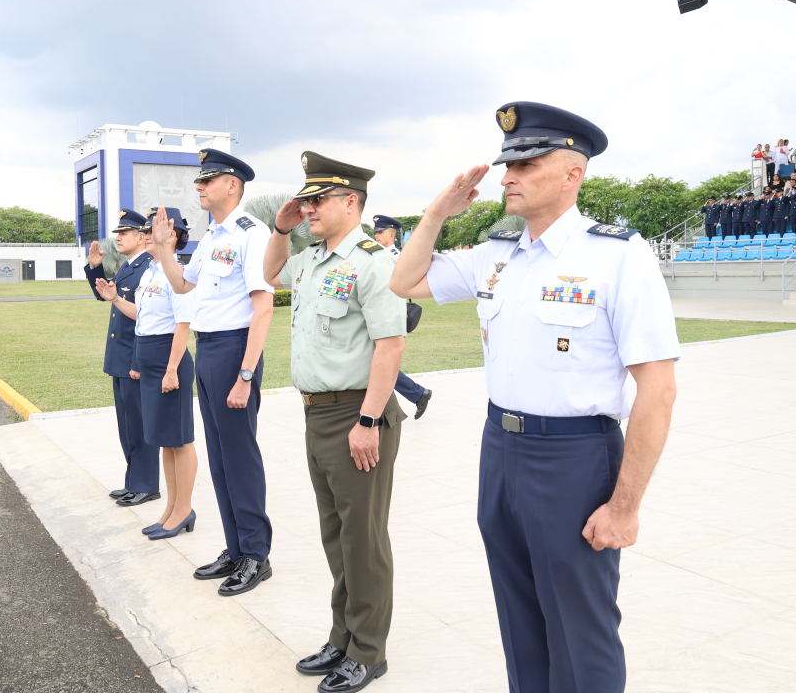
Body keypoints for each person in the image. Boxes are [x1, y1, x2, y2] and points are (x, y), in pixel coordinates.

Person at [389, 101, 679, 693]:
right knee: (519, 619)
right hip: (501, 450)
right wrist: (436, 214)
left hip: (575, 458)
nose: (508, 177)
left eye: (526, 164)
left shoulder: (618, 255)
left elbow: (659, 388)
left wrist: (624, 507)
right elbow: (405, 280)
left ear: (573, 174)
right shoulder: (496, 253)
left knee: (581, 629)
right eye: (507, 165)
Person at [263, 153, 407, 693]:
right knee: (336, 536)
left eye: (318, 199)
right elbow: (270, 274)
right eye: (305, 200)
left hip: (355, 414)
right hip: (317, 414)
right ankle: (342, 637)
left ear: (351, 201)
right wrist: (282, 230)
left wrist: (368, 420)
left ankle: (368, 651)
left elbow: (390, 346)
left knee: (363, 540)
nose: (309, 208)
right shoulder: (311, 258)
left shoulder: (373, 262)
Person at [149, 149, 276, 596]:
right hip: (207, 349)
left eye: (207, 180)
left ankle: (256, 555)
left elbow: (263, 308)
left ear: (232, 185)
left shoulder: (251, 233)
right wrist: (163, 249)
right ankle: (236, 548)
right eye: (199, 181)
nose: (199, 187)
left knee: (240, 456)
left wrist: (245, 375)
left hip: (234, 350)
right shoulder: (212, 236)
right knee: (220, 458)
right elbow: (183, 284)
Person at [98, 208, 198, 540]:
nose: (145, 236)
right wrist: (115, 299)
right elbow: (142, 316)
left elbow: (182, 325)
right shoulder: (151, 274)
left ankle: (184, 510)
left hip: (169, 360)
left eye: (152, 230)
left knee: (180, 441)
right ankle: (171, 509)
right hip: (150, 359)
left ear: (171, 235)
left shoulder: (177, 274)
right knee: (165, 441)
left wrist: (171, 370)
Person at [85, 209, 161, 507]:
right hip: (121, 360)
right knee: (127, 427)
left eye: (124, 233)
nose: (118, 238)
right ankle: (134, 481)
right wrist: (95, 268)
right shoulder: (130, 266)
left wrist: (138, 363)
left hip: (134, 361)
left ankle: (146, 485)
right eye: (118, 233)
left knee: (140, 427)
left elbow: (148, 320)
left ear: (142, 237)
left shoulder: (147, 267)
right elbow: (106, 294)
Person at [371, 214, 433, 419]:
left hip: (389, 315)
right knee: (375, 362)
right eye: (376, 232)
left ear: (392, 234)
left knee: (379, 362)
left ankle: (416, 394)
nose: (377, 235)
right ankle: (417, 394)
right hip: (376, 314)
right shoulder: (376, 255)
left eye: (381, 232)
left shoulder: (396, 257)